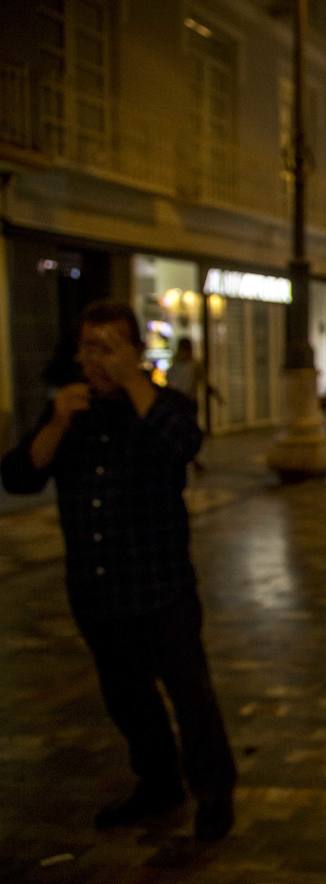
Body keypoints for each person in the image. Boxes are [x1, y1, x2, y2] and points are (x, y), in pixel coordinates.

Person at [1, 300, 237, 841]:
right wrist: (57, 421)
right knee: (128, 698)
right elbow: (19, 478)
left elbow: (184, 445)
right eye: (87, 347)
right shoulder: (69, 411)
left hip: (161, 588)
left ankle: (213, 792)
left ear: (132, 352)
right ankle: (157, 784)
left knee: (190, 694)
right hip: (97, 590)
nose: (94, 359)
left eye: (107, 347)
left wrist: (135, 384)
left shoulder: (165, 405)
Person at [165, 336, 218, 471]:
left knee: (187, 432)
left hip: (188, 403)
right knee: (181, 433)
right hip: (177, 403)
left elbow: (205, 383)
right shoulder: (174, 365)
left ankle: (191, 459)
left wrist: (216, 395)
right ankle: (191, 460)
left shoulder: (194, 365)